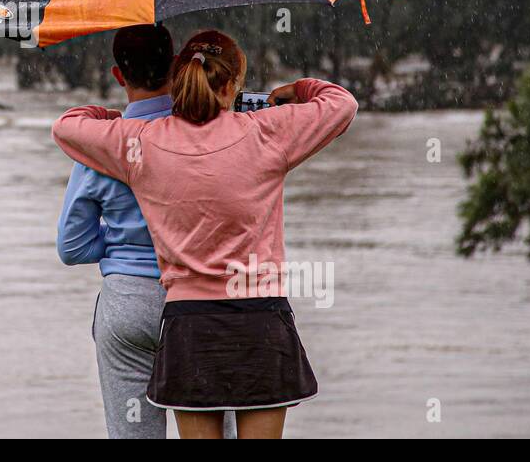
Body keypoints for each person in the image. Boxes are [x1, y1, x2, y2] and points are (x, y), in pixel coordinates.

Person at [51, 29, 357, 439]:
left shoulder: (141, 141)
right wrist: (298, 89)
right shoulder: (267, 132)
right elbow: (342, 104)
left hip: (181, 318)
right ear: (230, 84)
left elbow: (66, 128)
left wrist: (109, 117)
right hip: (260, 318)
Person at [56, 24, 235, 440]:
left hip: (127, 304)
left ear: (119, 75)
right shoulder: (210, 133)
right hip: (198, 299)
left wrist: (121, 243)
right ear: (176, 66)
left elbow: (71, 246)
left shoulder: (100, 145)